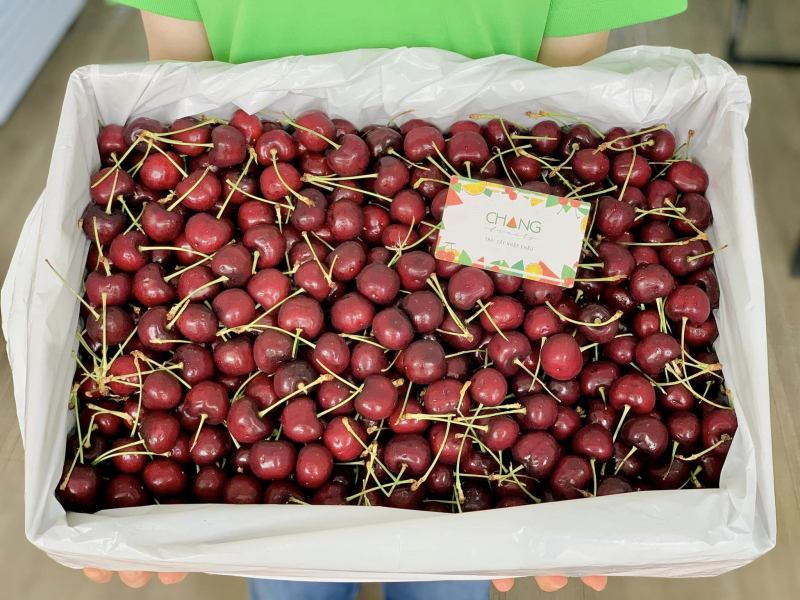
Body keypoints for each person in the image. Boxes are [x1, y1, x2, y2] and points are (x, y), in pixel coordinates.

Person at [83, 0, 688, 595]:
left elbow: (561, 119)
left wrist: (571, 513)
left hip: (476, 195)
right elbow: (184, 106)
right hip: (285, 444)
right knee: (290, 562)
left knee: (448, 564)